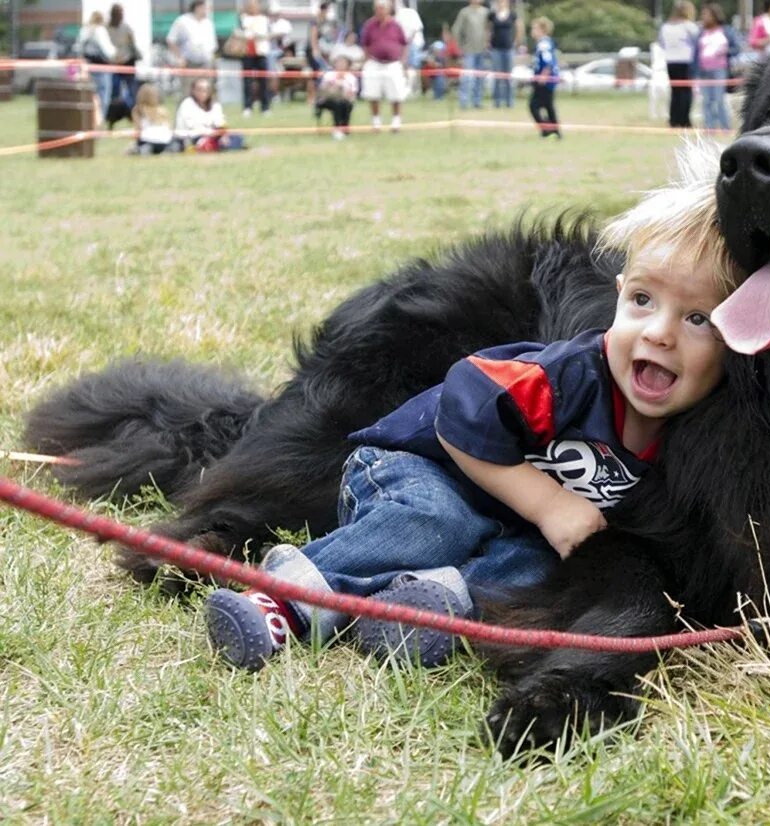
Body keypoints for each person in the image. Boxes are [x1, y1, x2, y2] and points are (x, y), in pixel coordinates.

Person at [202, 147, 740, 671]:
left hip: (501, 509)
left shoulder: (693, 426)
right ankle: (286, 599)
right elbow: (463, 409)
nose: (659, 333)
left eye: (697, 319)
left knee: (541, 562)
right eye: (643, 302)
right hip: (418, 466)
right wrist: (551, 507)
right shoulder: (571, 375)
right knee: (437, 520)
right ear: (620, 294)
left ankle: (432, 603)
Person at [360, 0, 409, 132]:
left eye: (382, 8)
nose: (379, 11)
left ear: (388, 9)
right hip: (374, 63)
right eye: (377, 8)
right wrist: (367, 59)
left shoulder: (396, 25)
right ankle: (376, 123)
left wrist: (403, 62)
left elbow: (404, 44)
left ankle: (396, 122)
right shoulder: (369, 25)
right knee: (372, 93)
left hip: (393, 63)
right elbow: (364, 44)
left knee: (396, 94)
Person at [693, 3, 738, 131]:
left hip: (719, 69)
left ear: (715, 15)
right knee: (706, 101)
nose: (704, 17)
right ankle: (709, 128)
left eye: (706, 14)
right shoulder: (701, 32)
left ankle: (725, 127)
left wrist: (725, 51)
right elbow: (696, 53)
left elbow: (736, 48)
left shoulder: (726, 31)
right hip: (703, 70)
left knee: (719, 100)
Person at [659, 1, 699, 128]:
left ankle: (674, 119)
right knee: (686, 92)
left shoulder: (666, 27)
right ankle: (684, 120)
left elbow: (661, 43)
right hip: (686, 61)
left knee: (675, 91)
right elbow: (697, 42)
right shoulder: (689, 26)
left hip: (671, 61)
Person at [175, 77, 244, 151]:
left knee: (237, 137)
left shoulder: (215, 105)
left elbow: (220, 123)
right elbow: (192, 128)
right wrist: (211, 132)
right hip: (192, 138)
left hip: (214, 135)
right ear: (193, 91)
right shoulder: (187, 104)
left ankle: (224, 146)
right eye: (199, 90)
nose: (202, 93)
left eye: (205, 90)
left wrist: (223, 134)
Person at [77, 11, 116, 121]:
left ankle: (86, 118)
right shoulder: (100, 30)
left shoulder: (84, 30)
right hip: (102, 67)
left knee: (88, 94)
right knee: (103, 95)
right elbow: (108, 50)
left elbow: (79, 48)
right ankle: (99, 119)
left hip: (88, 66)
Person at [451, 0, 490, 109]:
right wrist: (460, 46)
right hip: (468, 50)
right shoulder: (464, 12)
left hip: (482, 50)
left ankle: (477, 101)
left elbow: (489, 28)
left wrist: (488, 42)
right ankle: (463, 102)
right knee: (467, 77)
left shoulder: (486, 12)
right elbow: (456, 30)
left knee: (479, 77)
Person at [529, 16, 561, 139]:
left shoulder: (544, 44)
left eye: (534, 28)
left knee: (534, 105)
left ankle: (546, 128)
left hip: (545, 80)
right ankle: (555, 130)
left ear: (542, 30)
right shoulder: (544, 43)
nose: (532, 31)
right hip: (547, 79)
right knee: (548, 106)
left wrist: (544, 75)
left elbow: (548, 61)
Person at [239, 0, 271, 117]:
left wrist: (259, 35)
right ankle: (247, 107)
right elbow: (238, 33)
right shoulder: (243, 18)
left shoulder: (264, 19)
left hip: (261, 52)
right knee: (247, 81)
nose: (252, 7)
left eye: (254, 5)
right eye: (250, 5)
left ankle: (265, 107)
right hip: (247, 52)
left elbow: (269, 34)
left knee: (263, 81)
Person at [166, 0, 218, 73]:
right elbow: (171, 40)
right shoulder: (182, 21)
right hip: (188, 64)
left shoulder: (208, 23)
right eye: (206, 8)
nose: (208, 10)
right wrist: (179, 57)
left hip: (206, 65)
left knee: (206, 84)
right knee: (188, 84)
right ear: (198, 7)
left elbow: (213, 45)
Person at [107, 4, 140, 115]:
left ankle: (132, 112)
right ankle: (113, 113)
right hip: (113, 64)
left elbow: (132, 45)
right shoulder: (106, 29)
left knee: (131, 91)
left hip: (128, 63)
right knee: (114, 91)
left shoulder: (126, 28)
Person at [129, 83, 180, 154]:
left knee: (134, 146)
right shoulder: (163, 110)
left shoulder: (137, 110)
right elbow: (169, 127)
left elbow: (138, 129)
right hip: (166, 140)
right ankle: (167, 148)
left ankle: (145, 148)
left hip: (147, 139)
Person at [316, 54, 358, 140]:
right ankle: (337, 128)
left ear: (348, 65)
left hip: (345, 100)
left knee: (346, 104)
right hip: (328, 100)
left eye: (343, 63)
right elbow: (322, 90)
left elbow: (352, 94)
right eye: (339, 62)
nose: (340, 65)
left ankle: (344, 128)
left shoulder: (351, 77)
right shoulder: (329, 75)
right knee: (337, 103)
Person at [488, 0, 521, 108]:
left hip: (508, 48)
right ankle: (496, 101)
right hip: (496, 49)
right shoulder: (492, 15)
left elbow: (519, 27)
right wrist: (487, 41)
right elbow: (488, 28)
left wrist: (516, 41)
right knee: (497, 76)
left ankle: (509, 101)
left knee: (508, 76)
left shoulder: (512, 14)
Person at [265, 2, 294, 105]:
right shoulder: (266, 23)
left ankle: (275, 94)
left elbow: (284, 37)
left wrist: (271, 36)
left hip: (281, 52)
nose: (273, 15)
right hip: (268, 53)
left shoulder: (284, 23)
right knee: (268, 72)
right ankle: (270, 94)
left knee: (274, 71)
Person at [395, 0, 426, 93]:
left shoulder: (409, 12)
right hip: (404, 44)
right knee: (405, 66)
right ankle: (408, 88)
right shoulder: (397, 15)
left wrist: (408, 43)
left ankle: (412, 89)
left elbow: (415, 29)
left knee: (412, 66)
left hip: (413, 44)